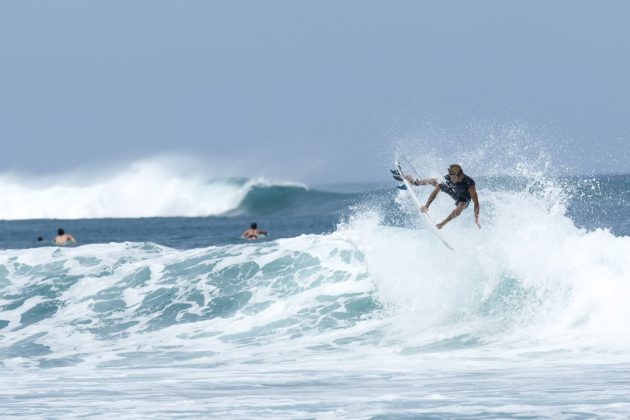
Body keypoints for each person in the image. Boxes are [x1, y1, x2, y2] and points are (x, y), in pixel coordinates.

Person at [394, 164, 480, 230]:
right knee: (434, 181)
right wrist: (426, 206)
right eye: (450, 177)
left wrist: (476, 218)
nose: (451, 179)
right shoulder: (448, 178)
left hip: (463, 198)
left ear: (460, 175)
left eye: (453, 178)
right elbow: (435, 192)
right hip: (453, 191)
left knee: (461, 205)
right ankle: (411, 181)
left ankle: (442, 224)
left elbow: (476, 203)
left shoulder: (469, 184)